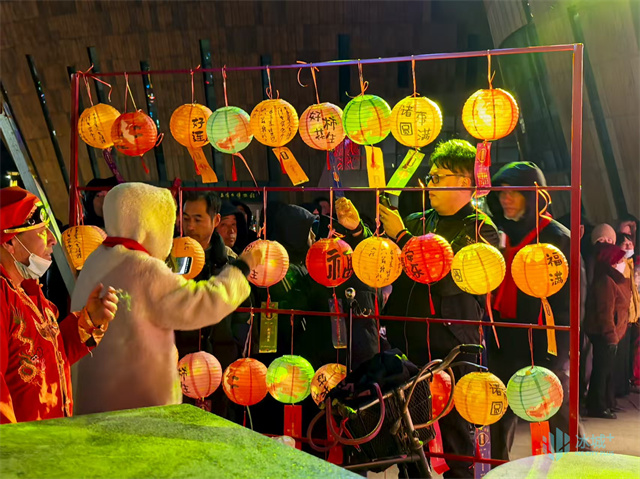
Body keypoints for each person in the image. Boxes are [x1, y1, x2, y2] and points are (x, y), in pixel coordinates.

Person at [337, 139, 499, 478]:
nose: (430, 184)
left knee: (456, 437)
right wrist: (358, 231)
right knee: (407, 437)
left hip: (452, 347)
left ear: (465, 182)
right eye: (430, 177)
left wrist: (403, 237)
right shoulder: (417, 220)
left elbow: (447, 280)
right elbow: (386, 262)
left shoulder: (480, 229)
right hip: (406, 343)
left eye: (439, 178)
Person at [70, 183, 262, 415]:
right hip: (135, 401)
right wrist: (240, 269)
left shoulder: (96, 259)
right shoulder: (142, 268)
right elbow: (200, 304)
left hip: (93, 393)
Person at [486, 161, 588, 457]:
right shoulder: (496, 234)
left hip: (545, 344)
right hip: (503, 340)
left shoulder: (557, 238)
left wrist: (562, 353)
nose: (505, 199)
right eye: (501, 192)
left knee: (556, 417)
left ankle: (577, 468)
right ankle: (500, 471)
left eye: (514, 193)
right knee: (497, 416)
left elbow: (573, 301)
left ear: (533, 197)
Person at [0, 187, 118, 423]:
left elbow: (48, 357)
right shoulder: (4, 297)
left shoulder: (31, 292)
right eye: (42, 232)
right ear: (10, 241)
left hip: (51, 435)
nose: (53, 239)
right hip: (22, 443)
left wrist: (89, 320)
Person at [177, 191, 254, 421]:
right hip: (180, 358)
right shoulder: (173, 258)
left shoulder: (229, 263)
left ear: (215, 220)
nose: (190, 226)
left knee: (218, 422)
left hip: (221, 359)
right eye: (186, 218)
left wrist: (233, 346)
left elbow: (244, 314)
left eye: (198, 219)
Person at [584, 243, 631, 418]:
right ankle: (597, 405)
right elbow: (605, 312)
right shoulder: (606, 281)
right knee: (601, 371)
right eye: (618, 260)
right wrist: (611, 336)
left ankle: (605, 402)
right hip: (604, 332)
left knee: (607, 370)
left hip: (612, 333)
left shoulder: (616, 279)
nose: (622, 263)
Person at [613, 233, 639, 399]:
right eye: (625, 244)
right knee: (619, 355)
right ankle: (618, 389)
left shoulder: (630, 264)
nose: (629, 247)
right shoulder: (618, 265)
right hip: (621, 316)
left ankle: (623, 387)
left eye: (630, 244)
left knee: (626, 356)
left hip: (630, 317)